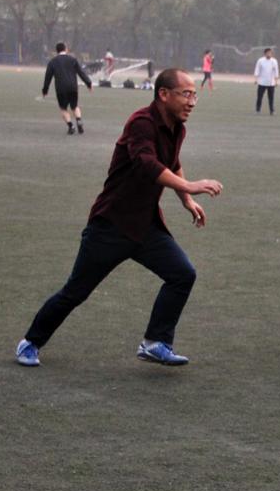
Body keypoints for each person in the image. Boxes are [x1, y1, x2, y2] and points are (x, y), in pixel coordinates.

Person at [14, 69, 223, 368]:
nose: (191, 102)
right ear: (164, 94)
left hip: (146, 226)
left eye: (194, 95)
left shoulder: (177, 128)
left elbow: (172, 163)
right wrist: (190, 186)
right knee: (75, 292)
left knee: (182, 274)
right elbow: (146, 164)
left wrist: (186, 200)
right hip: (111, 225)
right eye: (186, 94)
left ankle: (155, 343)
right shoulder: (141, 123)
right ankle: (30, 342)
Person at [42, 42, 93, 135]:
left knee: (63, 108)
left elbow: (48, 77)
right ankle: (79, 120)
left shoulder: (52, 62)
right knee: (75, 106)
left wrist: (45, 90)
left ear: (57, 51)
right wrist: (88, 83)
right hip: (73, 87)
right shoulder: (73, 60)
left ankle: (71, 126)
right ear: (66, 49)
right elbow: (81, 73)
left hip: (61, 88)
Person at [254, 47, 280, 115]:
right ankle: (258, 110)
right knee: (259, 97)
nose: (269, 54)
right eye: (268, 53)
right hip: (262, 82)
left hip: (271, 83)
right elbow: (257, 70)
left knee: (271, 98)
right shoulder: (260, 60)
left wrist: (276, 81)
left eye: (270, 53)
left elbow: (276, 71)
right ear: (265, 53)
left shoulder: (274, 61)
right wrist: (256, 79)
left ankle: (272, 111)